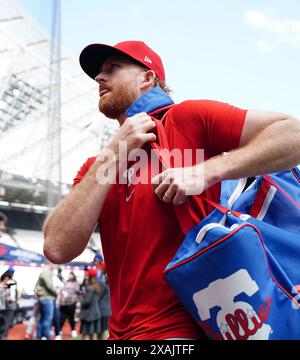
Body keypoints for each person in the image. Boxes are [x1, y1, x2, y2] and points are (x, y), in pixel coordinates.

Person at [43, 40, 300, 340]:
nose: (100, 78)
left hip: (186, 328)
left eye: (112, 68)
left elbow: (293, 134)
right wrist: (114, 151)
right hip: (121, 335)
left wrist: (208, 170)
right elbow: (57, 248)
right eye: (98, 73)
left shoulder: (187, 120)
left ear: (147, 78)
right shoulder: (95, 168)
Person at [34, 262, 57, 340]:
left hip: (43, 298)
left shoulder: (43, 273)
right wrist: (57, 292)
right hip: (47, 298)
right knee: (47, 319)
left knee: (42, 319)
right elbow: (50, 286)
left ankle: (39, 336)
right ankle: (47, 337)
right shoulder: (45, 273)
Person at [79, 268, 101, 340]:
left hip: (88, 315)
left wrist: (80, 299)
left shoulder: (90, 288)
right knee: (92, 335)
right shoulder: (97, 286)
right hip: (95, 313)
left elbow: (86, 302)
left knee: (84, 335)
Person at [59, 271, 80, 338]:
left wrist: (78, 302)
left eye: (71, 275)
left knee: (71, 317)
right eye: (69, 275)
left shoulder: (76, 283)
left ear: (74, 276)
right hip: (63, 303)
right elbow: (61, 291)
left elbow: (78, 293)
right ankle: (59, 331)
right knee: (62, 317)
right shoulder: (66, 282)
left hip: (71, 303)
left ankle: (73, 330)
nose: (70, 276)